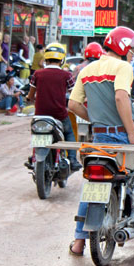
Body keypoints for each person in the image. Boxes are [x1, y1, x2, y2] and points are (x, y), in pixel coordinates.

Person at [68, 26, 134, 260]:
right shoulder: (123, 67)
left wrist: (96, 120)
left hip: (100, 137)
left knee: (92, 184)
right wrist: (132, 133)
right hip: (127, 134)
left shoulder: (86, 70)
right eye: (131, 50)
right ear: (122, 47)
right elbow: (120, 97)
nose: (132, 55)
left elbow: (73, 105)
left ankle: (79, 241)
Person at [25, 43, 80, 171]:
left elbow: (30, 95)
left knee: (36, 132)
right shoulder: (66, 75)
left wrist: (29, 99)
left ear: (46, 58)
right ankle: (72, 159)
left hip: (40, 115)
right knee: (69, 133)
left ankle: (34, 157)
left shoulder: (37, 74)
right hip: (59, 115)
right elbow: (74, 94)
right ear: (62, 60)